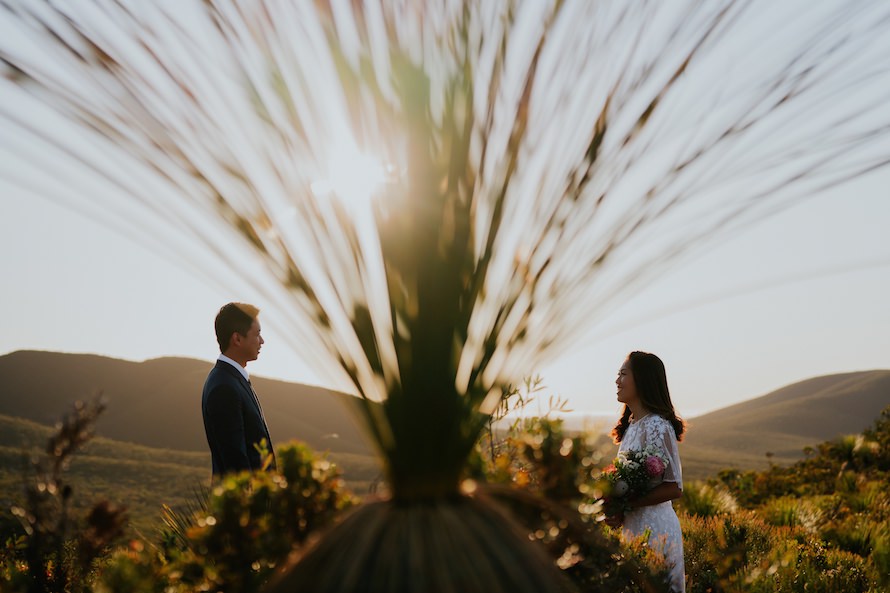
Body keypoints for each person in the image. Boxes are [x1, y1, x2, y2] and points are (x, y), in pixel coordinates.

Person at [606, 351, 686, 592]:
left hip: (656, 529)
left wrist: (627, 503)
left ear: (642, 379)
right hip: (633, 527)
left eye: (623, 374)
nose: (617, 381)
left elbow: (674, 488)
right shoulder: (631, 427)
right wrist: (615, 507)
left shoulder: (657, 426)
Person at [202, 302, 276, 477]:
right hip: (244, 503)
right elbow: (236, 464)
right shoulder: (224, 387)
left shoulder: (232, 380)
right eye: (257, 334)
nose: (262, 341)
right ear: (237, 339)